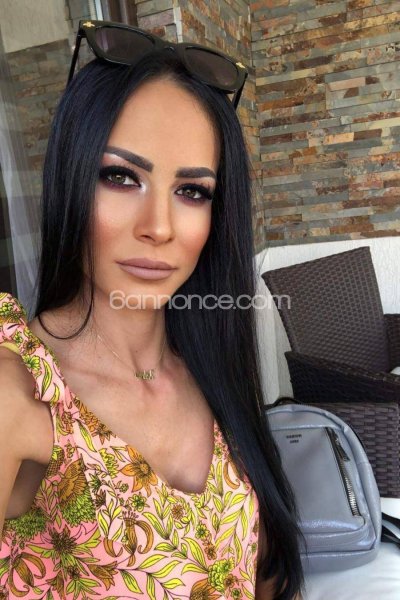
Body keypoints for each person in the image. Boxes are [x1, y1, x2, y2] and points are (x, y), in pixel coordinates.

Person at [0, 20, 304, 600]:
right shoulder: (19, 391)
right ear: (70, 177)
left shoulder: (212, 367)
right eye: (120, 176)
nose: (159, 228)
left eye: (192, 191)